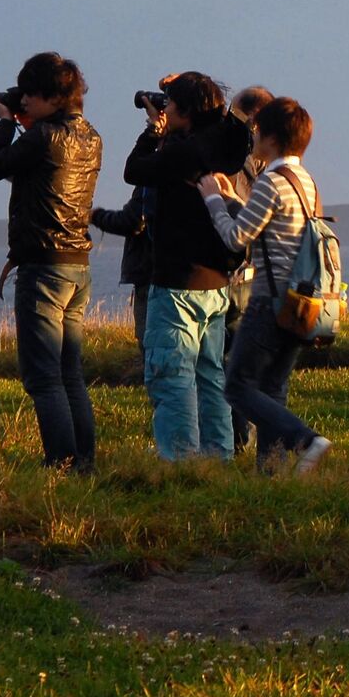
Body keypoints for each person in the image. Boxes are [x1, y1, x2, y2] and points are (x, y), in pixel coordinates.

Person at [0, 52, 103, 473]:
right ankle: (83, 463)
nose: (25, 100)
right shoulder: (90, 136)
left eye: (30, 93)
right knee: (70, 374)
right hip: (76, 265)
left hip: (44, 268)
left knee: (43, 377)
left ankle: (61, 466)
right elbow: (36, 175)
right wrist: (22, 118)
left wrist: (5, 121)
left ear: (51, 96)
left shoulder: (41, 136)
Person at [123, 71, 254, 461]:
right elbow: (238, 118)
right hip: (215, 283)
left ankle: (181, 458)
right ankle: (218, 454)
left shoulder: (183, 153)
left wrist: (152, 131)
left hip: (177, 280)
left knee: (173, 373)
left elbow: (134, 169)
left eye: (171, 103)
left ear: (184, 110)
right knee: (210, 374)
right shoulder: (227, 142)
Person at [198, 97, 332, 475]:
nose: (253, 137)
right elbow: (270, 226)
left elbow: (237, 238)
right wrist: (229, 197)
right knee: (272, 390)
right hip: (299, 303)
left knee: (237, 386)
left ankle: (306, 439)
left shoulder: (271, 180)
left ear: (270, 137)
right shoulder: (305, 181)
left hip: (267, 303)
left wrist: (212, 201)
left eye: (257, 131)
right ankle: (270, 476)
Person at [223, 84, 274, 452]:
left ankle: (237, 439)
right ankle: (250, 441)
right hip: (259, 272)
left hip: (239, 271)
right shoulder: (276, 159)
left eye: (235, 115)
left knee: (229, 362)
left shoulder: (244, 157)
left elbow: (239, 219)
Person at [89, 185, 153, 376]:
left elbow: (132, 221)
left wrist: (96, 216)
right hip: (197, 277)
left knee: (151, 345)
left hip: (152, 276)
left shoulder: (153, 172)